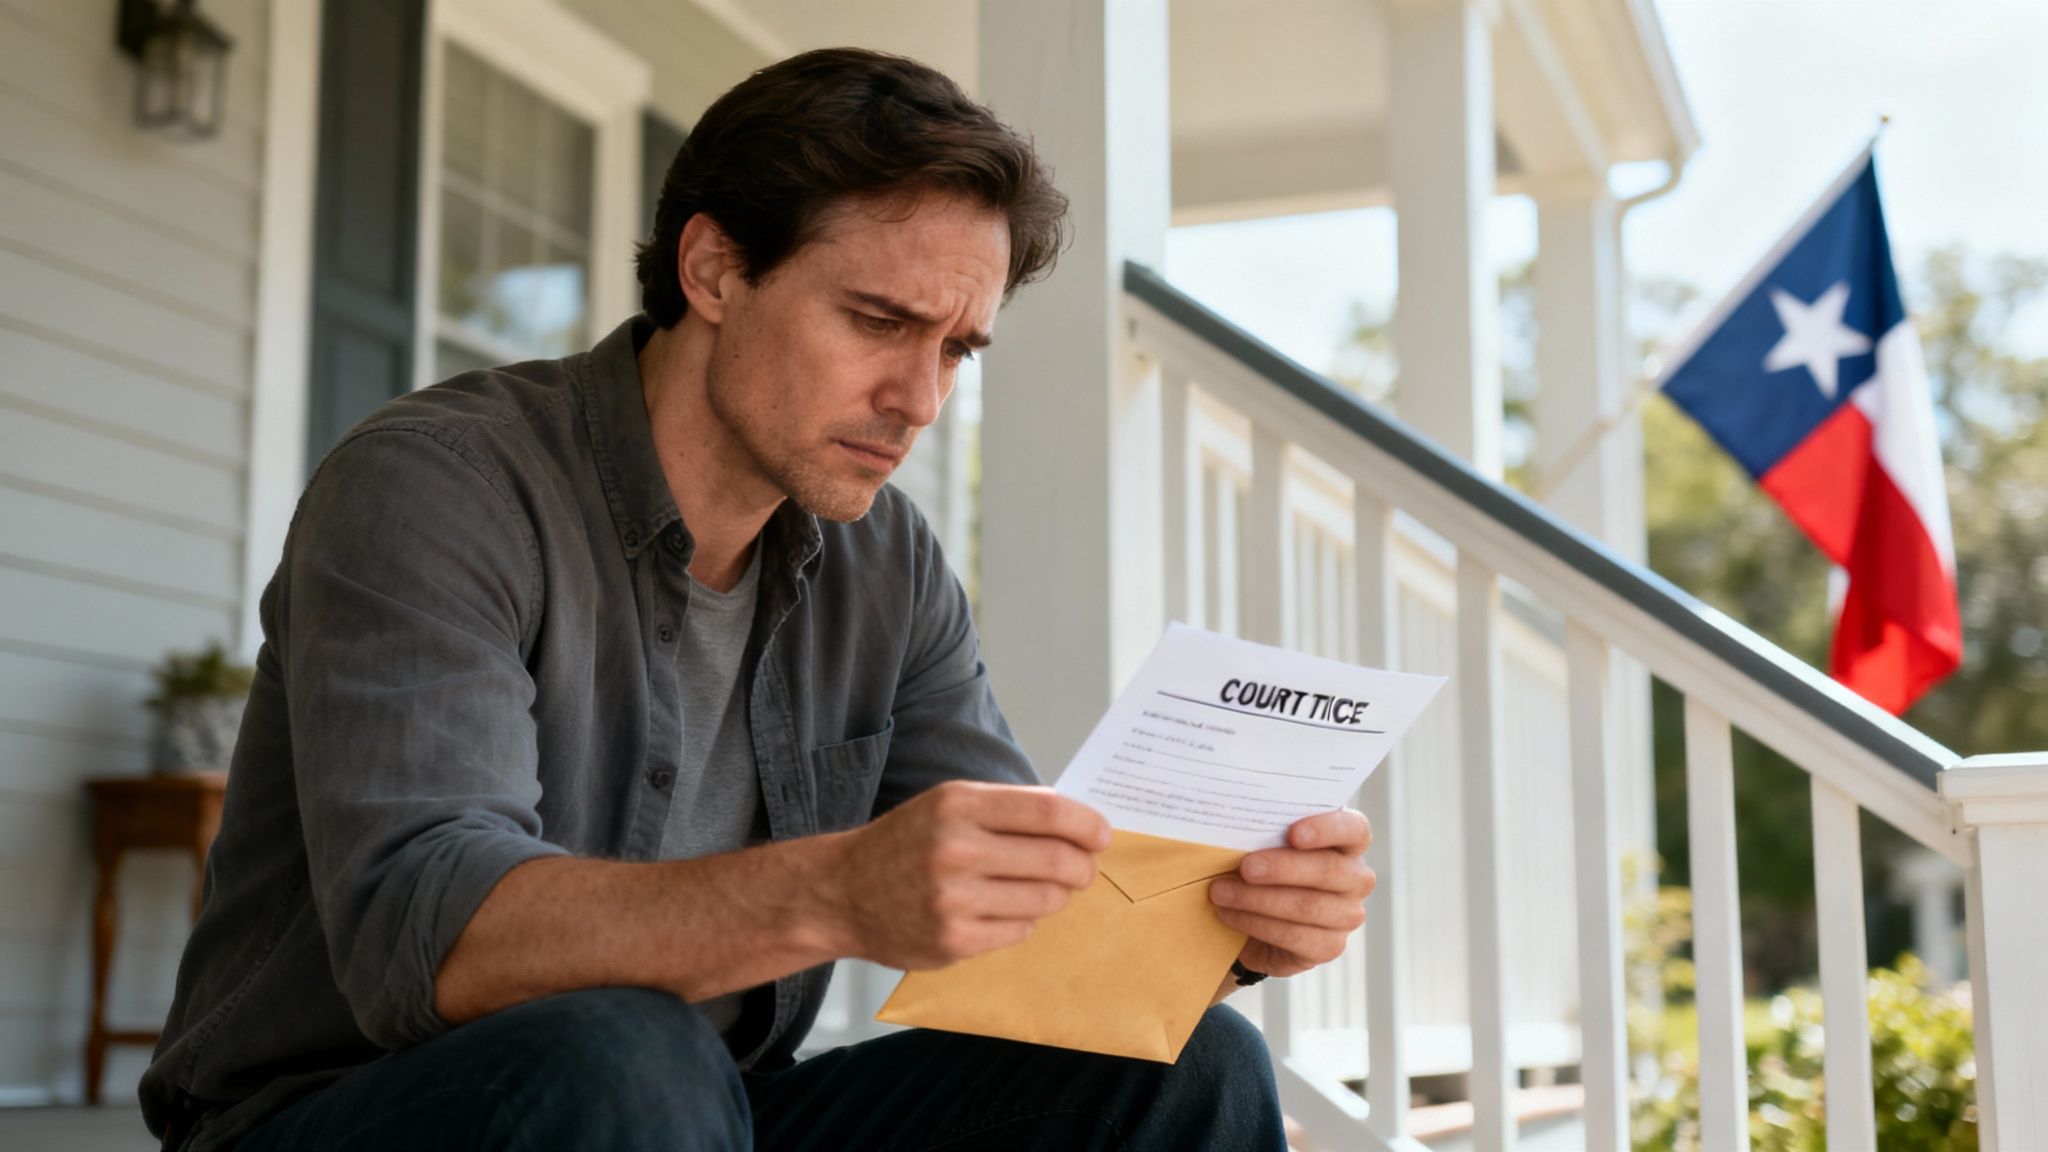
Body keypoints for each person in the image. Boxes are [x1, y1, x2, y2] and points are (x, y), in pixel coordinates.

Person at [142, 47, 1376, 1151]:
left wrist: (1226, 926)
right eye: (878, 322)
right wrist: (838, 887)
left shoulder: (884, 563)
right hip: (338, 1112)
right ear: (715, 268)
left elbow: (1022, 932)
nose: (921, 399)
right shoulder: (437, 484)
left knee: (1184, 1069)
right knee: (629, 1047)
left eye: (955, 349)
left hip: (702, 1115)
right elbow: (430, 931)